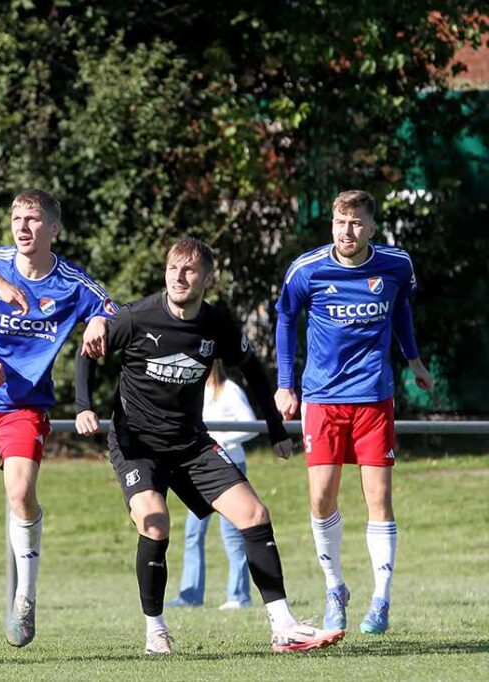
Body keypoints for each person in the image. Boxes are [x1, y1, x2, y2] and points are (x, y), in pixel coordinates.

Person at [79, 237, 345, 655]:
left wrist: (276, 429)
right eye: (172, 269)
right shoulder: (137, 317)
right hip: (137, 444)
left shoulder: (217, 324)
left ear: (207, 277)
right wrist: (84, 406)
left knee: (255, 514)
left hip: (191, 443)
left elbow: (254, 370)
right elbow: (88, 351)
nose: (179, 277)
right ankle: (156, 630)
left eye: (189, 270)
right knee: (154, 521)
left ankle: (283, 626)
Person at [0, 189, 115, 654]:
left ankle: (24, 597)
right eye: (17, 217)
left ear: (53, 228)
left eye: (33, 219)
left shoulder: (72, 283)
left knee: (20, 492)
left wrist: (99, 323)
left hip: (24, 407)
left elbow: (115, 311)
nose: (23, 226)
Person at [274, 190, 434, 636]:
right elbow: (285, 320)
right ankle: (335, 588)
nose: (348, 231)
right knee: (321, 497)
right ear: (331, 225)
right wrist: (285, 384)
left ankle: (381, 598)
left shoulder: (396, 265)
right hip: (322, 399)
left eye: (357, 223)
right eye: (341, 222)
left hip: (373, 398)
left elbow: (401, 310)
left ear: (371, 226)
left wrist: (414, 360)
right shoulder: (306, 270)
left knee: (379, 499)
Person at [168, 360, 256, 610]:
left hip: (230, 466)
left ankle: (239, 596)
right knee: (193, 532)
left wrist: (219, 440)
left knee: (232, 533)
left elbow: (250, 426)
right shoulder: (192, 390)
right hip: (199, 470)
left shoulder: (229, 390)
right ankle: (190, 594)